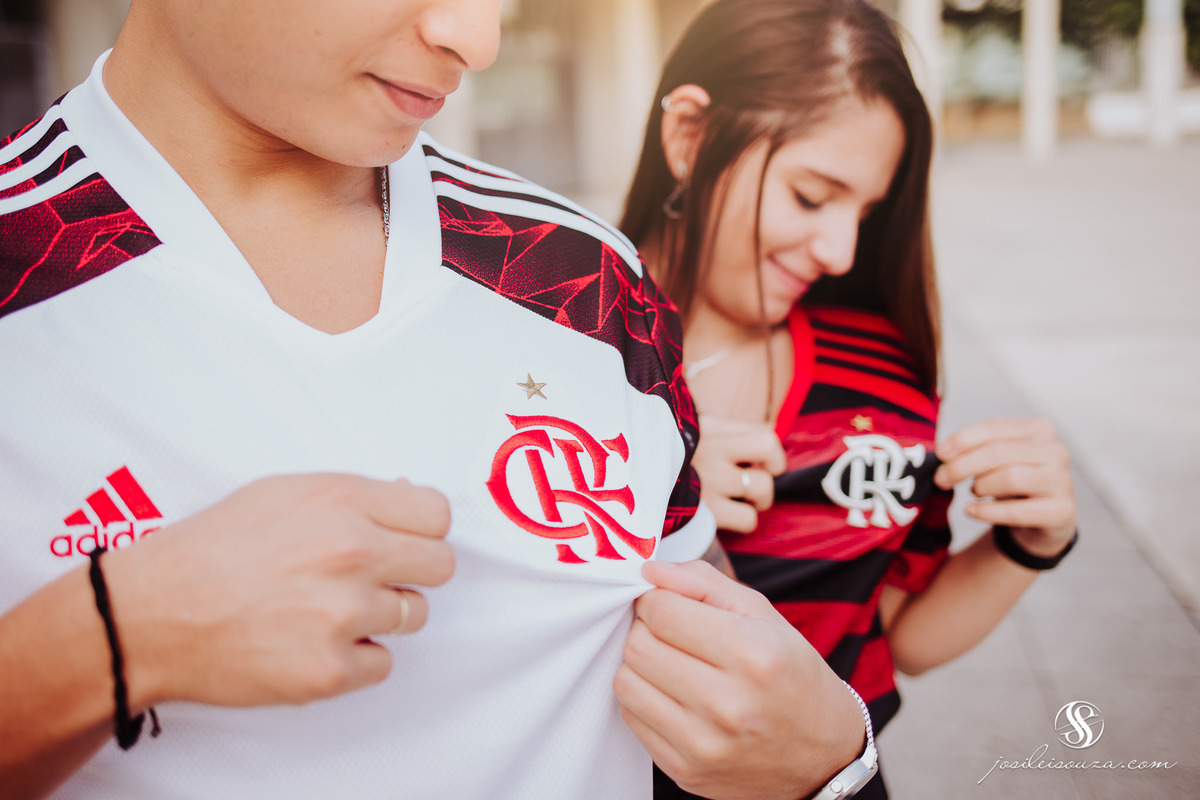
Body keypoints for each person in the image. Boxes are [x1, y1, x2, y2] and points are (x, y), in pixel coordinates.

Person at [0, 2, 869, 799]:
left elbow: (714, 700)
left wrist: (835, 770)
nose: (476, 38)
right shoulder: (23, 277)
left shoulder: (587, 285)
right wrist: (112, 640)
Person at [618, 0, 1079, 797]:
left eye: (865, 211)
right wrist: (645, 484)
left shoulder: (879, 380)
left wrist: (1026, 545)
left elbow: (895, 634)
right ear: (689, 136)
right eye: (809, 195)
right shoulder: (538, 342)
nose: (839, 252)